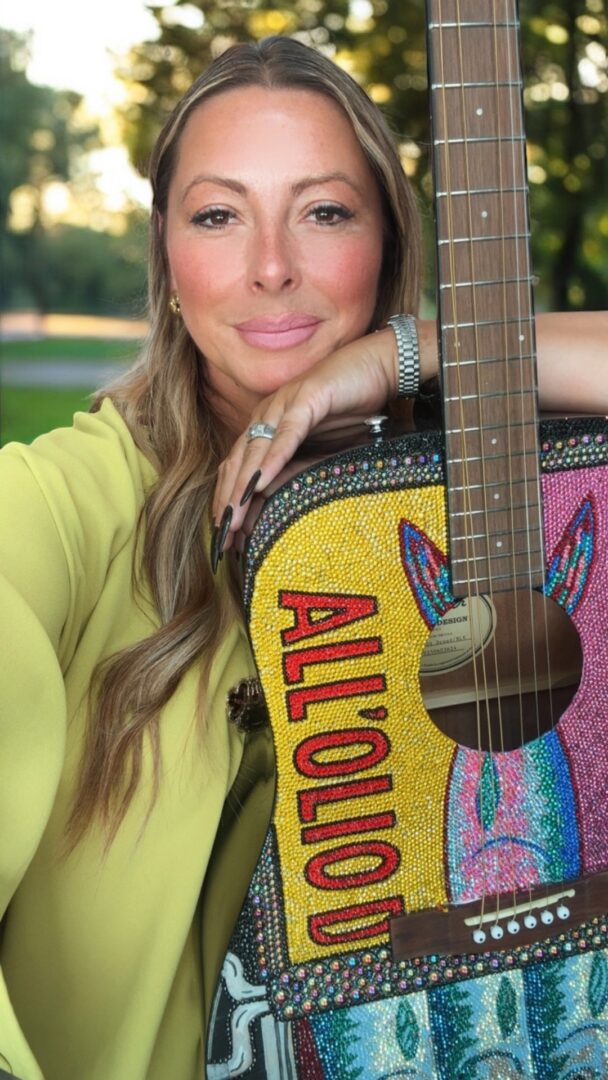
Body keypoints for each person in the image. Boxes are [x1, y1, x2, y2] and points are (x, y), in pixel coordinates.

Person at [0, 34, 606, 1080]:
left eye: (324, 212)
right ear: (167, 255)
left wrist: (405, 355)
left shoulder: (493, 494)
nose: (271, 266)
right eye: (218, 216)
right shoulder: (74, 499)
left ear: (385, 239)